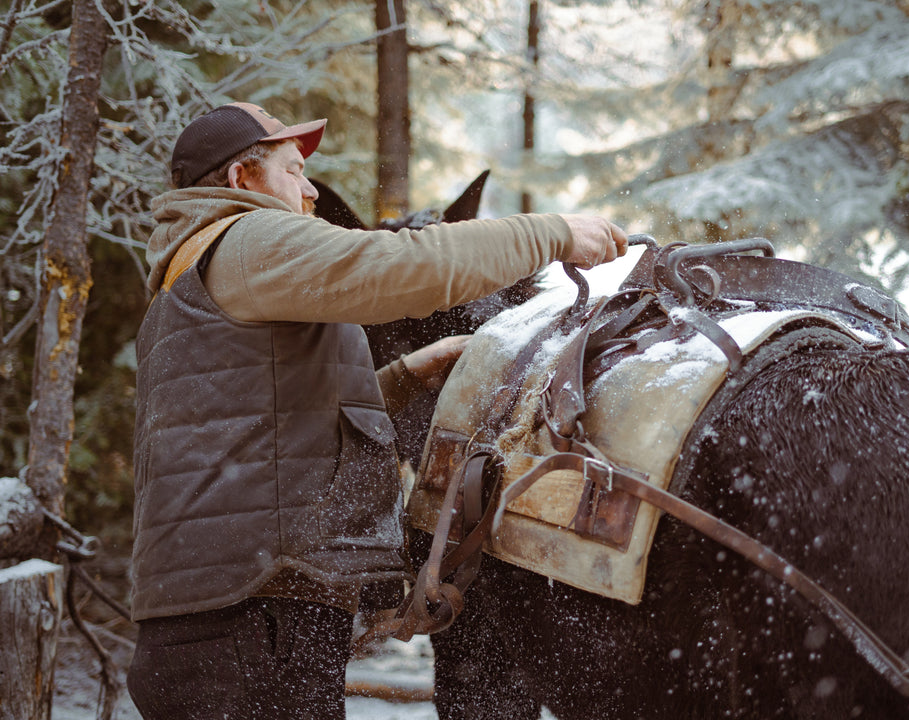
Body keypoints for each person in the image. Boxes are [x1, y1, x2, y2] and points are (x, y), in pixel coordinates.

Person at [126, 101, 627, 719]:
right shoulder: (246, 239)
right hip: (250, 619)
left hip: (231, 619)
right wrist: (551, 233)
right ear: (241, 178)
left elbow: (280, 427)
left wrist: (405, 377)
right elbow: (403, 264)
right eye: (293, 170)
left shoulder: (191, 278)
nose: (310, 188)